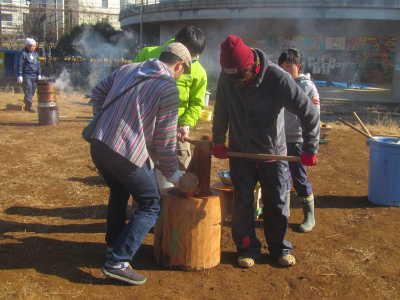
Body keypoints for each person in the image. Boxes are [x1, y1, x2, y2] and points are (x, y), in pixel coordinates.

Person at [88, 43, 192, 285]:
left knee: (119, 190)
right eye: (182, 72)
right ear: (179, 66)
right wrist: (175, 175)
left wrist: (106, 120)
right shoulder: (167, 88)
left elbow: (97, 92)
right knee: (150, 203)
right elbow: (165, 143)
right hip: (123, 152)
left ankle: (114, 244)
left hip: (99, 144)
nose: (179, 76)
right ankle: (118, 261)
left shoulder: (129, 69)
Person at [212, 35, 320, 268]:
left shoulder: (277, 78)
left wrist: (310, 147)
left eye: (241, 76)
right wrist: (219, 140)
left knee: (277, 202)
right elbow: (221, 109)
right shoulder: (229, 76)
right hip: (241, 153)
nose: (236, 82)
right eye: (231, 77)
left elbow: (309, 113)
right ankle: (247, 247)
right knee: (242, 204)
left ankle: (279, 248)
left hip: (273, 153)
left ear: (252, 65)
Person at [134, 25, 207, 169]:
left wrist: (185, 123)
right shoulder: (148, 54)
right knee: (143, 165)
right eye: (189, 53)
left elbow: (196, 103)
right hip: (143, 123)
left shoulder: (199, 71)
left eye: (194, 55)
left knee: (180, 164)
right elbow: (132, 82)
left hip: (176, 126)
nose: (190, 59)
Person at [278, 48, 320, 233]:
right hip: (279, 139)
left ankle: (309, 215)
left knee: (299, 178)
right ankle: (282, 213)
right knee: (281, 177)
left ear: (299, 67)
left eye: (289, 67)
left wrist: (311, 146)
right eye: (282, 67)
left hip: (297, 140)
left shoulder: (307, 87)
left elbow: (314, 117)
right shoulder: (278, 84)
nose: (286, 70)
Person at [17, 38, 42, 112]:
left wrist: (39, 74)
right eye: (32, 46)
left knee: (33, 91)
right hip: (26, 75)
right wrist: (19, 75)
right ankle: (29, 107)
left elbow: (38, 65)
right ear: (27, 46)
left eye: (34, 46)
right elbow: (19, 65)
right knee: (28, 89)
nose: (33, 47)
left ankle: (27, 102)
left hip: (34, 76)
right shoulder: (23, 54)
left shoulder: (35, 54)